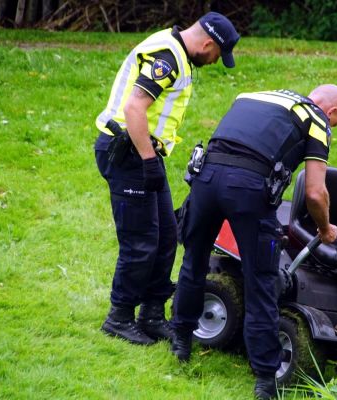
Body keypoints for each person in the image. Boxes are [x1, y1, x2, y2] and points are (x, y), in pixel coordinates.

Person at [170, 86, 337, 399]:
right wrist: (324, 228)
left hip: (205, 179)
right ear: (331, 112)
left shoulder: (252, 95)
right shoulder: (316, 117)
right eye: (335, 124)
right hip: (249, 189)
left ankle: (181, 340)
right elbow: (316, 193)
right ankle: (266, 377)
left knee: (194, 261)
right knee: (261, 280)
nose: (330, 127)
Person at [94, 12, 240, 345]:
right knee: (141, 240)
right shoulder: (168, 57)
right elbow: (134, 108)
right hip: (128, 152)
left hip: (144, 152)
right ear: (207, 43)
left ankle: (152, 314)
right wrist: (147, 161)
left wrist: (151, 158)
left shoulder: (177, 52)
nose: (216, 61)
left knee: (166, 235)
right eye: (218, 54)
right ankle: (118, 317)